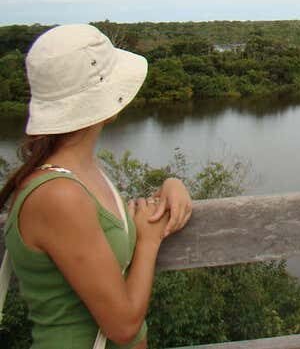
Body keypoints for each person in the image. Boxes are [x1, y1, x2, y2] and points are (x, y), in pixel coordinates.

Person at [0, 24, 193, 348]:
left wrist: (171, 185)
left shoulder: (80, 172)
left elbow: (103, 229)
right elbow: (123, 327)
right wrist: (148, 242)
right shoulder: (58, 195)